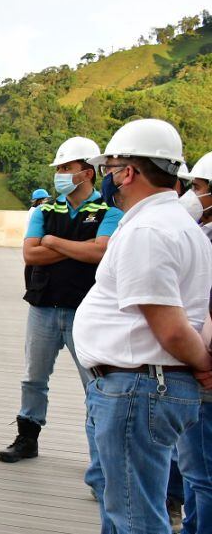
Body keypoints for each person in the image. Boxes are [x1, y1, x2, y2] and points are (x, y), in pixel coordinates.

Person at [73, 118, 212, 533]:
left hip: (137, 389)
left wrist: (203, 364)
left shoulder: (149, 230)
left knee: (135, 516)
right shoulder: (175, 223)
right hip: (140, 386)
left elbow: (169, 327)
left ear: (127, 172)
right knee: (122, 510)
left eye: (108, 170)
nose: (106, 180)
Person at [0, 137, 122, 465]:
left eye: (67, 168)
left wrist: (52, 242)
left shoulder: (108, 211)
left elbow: (101, 251)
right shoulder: (46, 209)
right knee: (33, 377)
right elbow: (30, 253)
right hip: (43, 307)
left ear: (87, 173)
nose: (61, 174)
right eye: (59, 169)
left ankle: (100, 459)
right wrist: (77, 247)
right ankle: (27, 438)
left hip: (87, 312)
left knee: (94, 385)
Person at [176, 151, 212, 534]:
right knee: (195, 470)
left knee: (201, 473)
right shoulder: (201, 232)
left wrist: (201, 362)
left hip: (203, 368)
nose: (192, 195)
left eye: (199, 188)